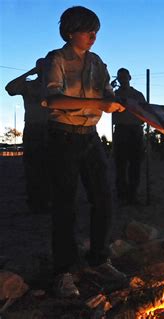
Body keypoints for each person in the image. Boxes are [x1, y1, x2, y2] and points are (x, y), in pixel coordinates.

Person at [41, 6, 127, 297]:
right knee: (64, 204)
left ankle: (99, 259)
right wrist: (98, 105)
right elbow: (53, 100)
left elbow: (107, 91)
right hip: (63, 137)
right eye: (87, 30)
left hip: (90, 137)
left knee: (103, 198)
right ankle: (63, 271)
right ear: (70, 31)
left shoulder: (97, 62)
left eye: (96, 31)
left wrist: (113, 100)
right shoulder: (57, 59)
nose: (93, 36)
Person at [5, 58, 51, 214]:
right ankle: (35, 201)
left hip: (51, 128)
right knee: (32, 166)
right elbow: (10, 88)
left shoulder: (54, 86)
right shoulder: (28, 85)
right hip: (33, 128)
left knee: (50, 166)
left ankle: (47, 200)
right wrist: (29, 73)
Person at [112, 68, 146, 205]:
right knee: (120, 165)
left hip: (135, 130)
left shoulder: (137, 95)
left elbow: (145, 110)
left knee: (135, 164)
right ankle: (121, 195)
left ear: (129, 77)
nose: (122, 79)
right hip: (121, 130)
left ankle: (133, 195)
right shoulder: (114, 94)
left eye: (124, 77)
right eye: (120, 77)